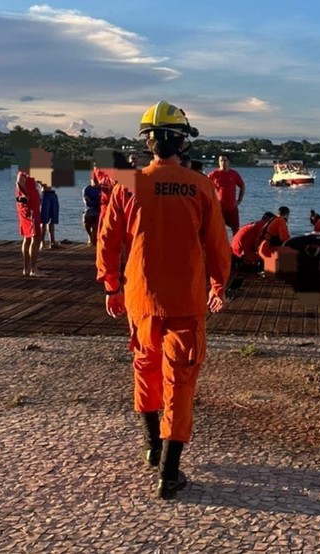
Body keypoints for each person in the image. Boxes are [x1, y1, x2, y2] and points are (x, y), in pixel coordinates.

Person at [97, 100, 231, 500]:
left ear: (147, 143)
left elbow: (108, 240)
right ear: (182, 142)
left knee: (146, 368)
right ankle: (169, 472)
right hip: (186, 301)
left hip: (140, 297)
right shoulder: (200, 185)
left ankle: (153, 446)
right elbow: (217, 246)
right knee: (180, 379)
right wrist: (218, 285)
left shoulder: (129, 183)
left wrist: (111, 286)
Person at [207, 154, 246, 234]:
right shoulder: (214, 174)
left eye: (225, 160)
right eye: (221, 160)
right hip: (219, 207)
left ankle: (234, 246)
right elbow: (204, 185)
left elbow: (242, 186)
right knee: (217, 230)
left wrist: (239, 200)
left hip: (232, 207)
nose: (223, 162)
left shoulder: (234, 174)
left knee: (235, 230)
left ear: (228, 161)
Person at [15, 168, 42, 276]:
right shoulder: (24, 170)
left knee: (28, 237)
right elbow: (19, 181)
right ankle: (33, 269)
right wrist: (27, 196)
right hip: (29, 208)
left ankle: (27, 268)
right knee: (36, 237)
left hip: (31, 207)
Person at [40, 181, 60, 250]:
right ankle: (42, 242)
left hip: (53, 194)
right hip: (45, 194)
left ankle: (52, 242)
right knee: (43, 220)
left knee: (52, 220)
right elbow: (38, 183)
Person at [82, 177, 101, 245]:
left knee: (98, 220)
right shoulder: (87, 189)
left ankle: (95, 236)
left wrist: (94, 202)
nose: (96, 181)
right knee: (86, 217)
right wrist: (98, 202)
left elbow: (103, 201)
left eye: (97, 180)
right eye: (94, 180)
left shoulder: (101, 189)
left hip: (99, 209)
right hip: (89, 209)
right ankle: (90, 236)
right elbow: (87, 203)